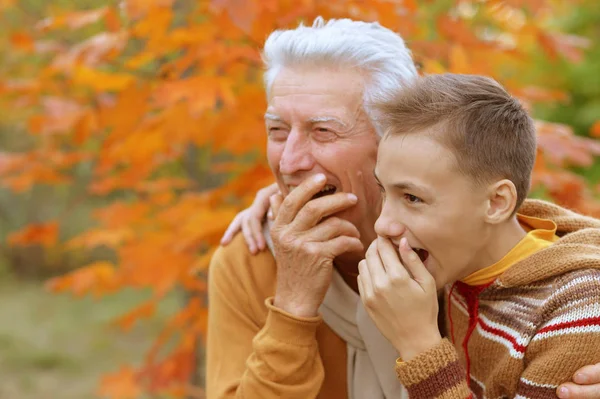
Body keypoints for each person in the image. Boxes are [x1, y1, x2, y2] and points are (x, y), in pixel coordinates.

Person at [210, 17, 600, 399]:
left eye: (323, 131)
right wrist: (293, 307)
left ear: (392, 137)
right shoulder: (250, 257)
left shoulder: (456, 250)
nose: (289, 161)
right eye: (277, 131)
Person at [356, 73, 600, 397]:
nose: (383, 224)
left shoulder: (577, 315)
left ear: (497, 203)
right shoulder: (459, 261)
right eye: (383, 190)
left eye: (412, 198)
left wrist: (419, 344)